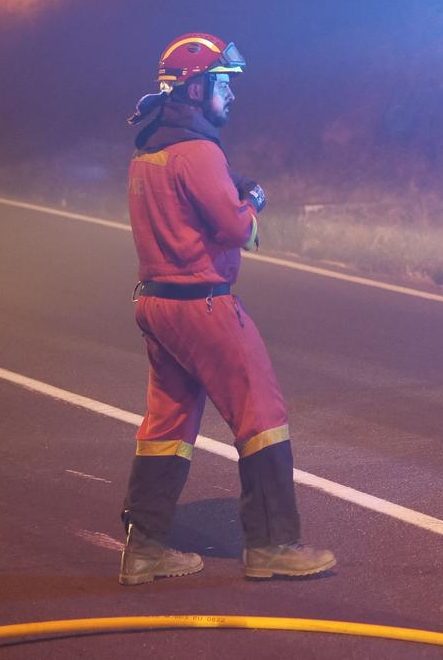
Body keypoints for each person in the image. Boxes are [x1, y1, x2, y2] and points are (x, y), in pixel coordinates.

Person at [116, 33, 335, 585]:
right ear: (195, 88)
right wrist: (252, 200)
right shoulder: (199, 151)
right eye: (223, 84)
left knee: (167, 423)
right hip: (203, 305)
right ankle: (273, 545)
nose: (230, 96)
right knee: (262, 415)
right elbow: (235, 227)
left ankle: (143, 549)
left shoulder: (149, 147)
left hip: (156, 304)